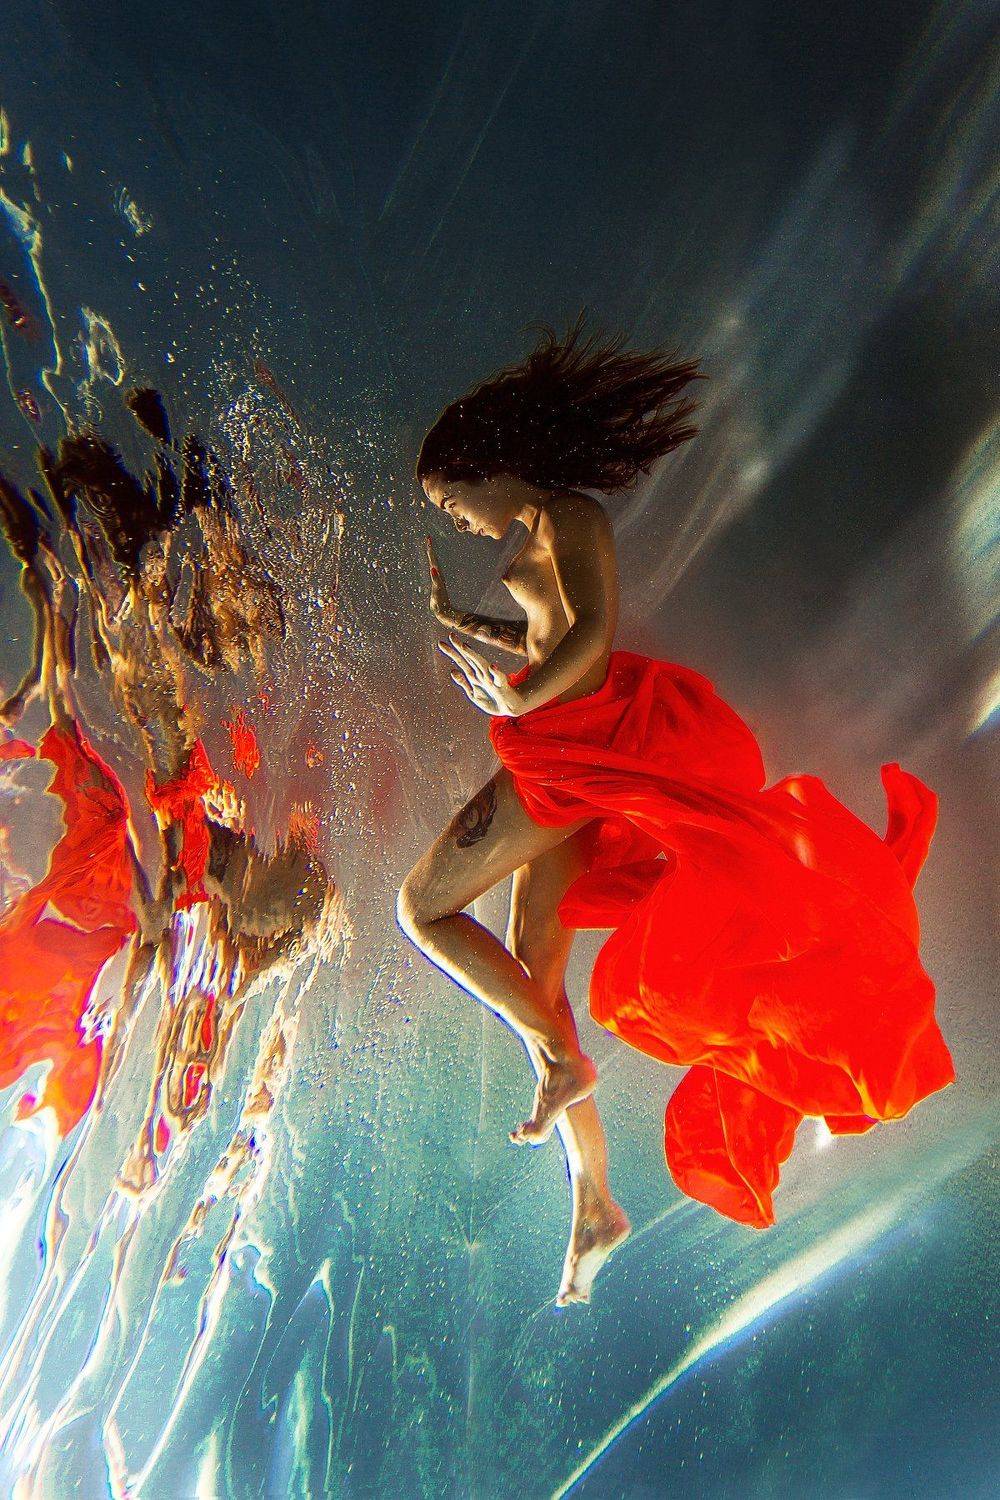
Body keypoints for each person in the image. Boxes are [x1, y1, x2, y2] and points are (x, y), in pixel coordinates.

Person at [396, 313, 957, 1306]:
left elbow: (592, 638)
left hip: (576, 752)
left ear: (489, 468)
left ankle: (558, 1062)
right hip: (574, 742)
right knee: (534, 961)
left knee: (422, 909)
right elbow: (549, 634)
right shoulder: (538, 532)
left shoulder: (572, 518)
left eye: (453, 501)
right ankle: (594, 1199)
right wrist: (467, 625)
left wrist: (518, 703)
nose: (459, 522)